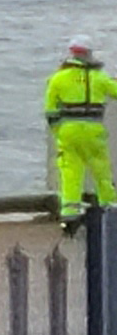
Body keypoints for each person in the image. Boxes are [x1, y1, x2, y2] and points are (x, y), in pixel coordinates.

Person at [52, 41, 117, 221]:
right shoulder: (100, 77)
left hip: (68, 131)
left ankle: (70, 213)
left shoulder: (58, 78)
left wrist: (58, 131)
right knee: (101, 170)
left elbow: (50, 109)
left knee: (70, 172)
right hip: (93, 130)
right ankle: (109, 208)